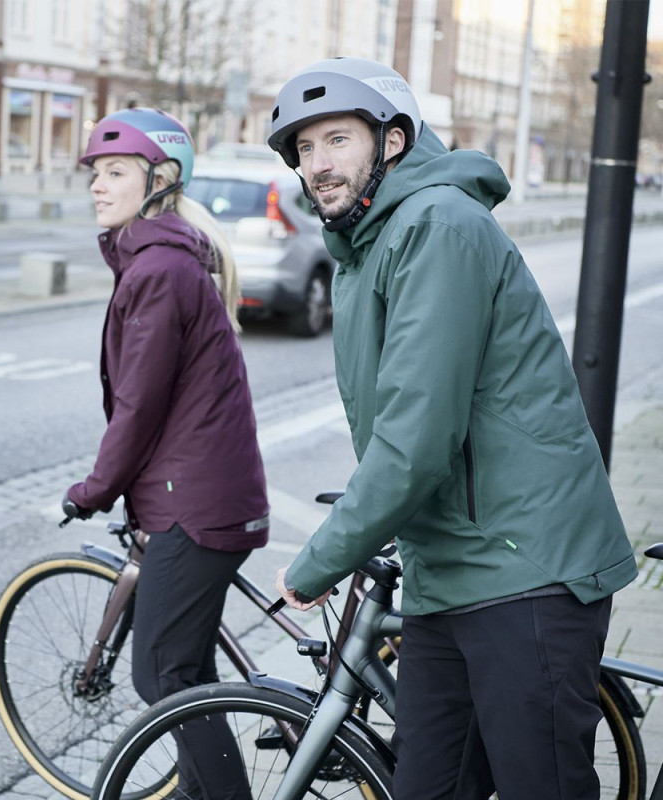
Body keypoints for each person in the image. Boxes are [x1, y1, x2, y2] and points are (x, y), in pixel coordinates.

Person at [268, 57, 638, 800]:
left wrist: (322, 559)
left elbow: (415, 437)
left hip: (524, 568)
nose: (318, 165)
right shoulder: (366, 244)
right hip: (450, 573)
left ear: (393, 140)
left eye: (337, 140)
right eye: (304, 149)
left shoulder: (438, 226)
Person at [64, 107, 268, 799]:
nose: (98, 185)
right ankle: (197, 790)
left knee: (162, 674)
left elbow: (139, 406)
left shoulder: (157, 272)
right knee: (186, 665)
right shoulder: (165, 262)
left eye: (116, 172)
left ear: (161, 179)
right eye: (96, 173)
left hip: (194, 506)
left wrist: (93, 489)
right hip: (202, 497)